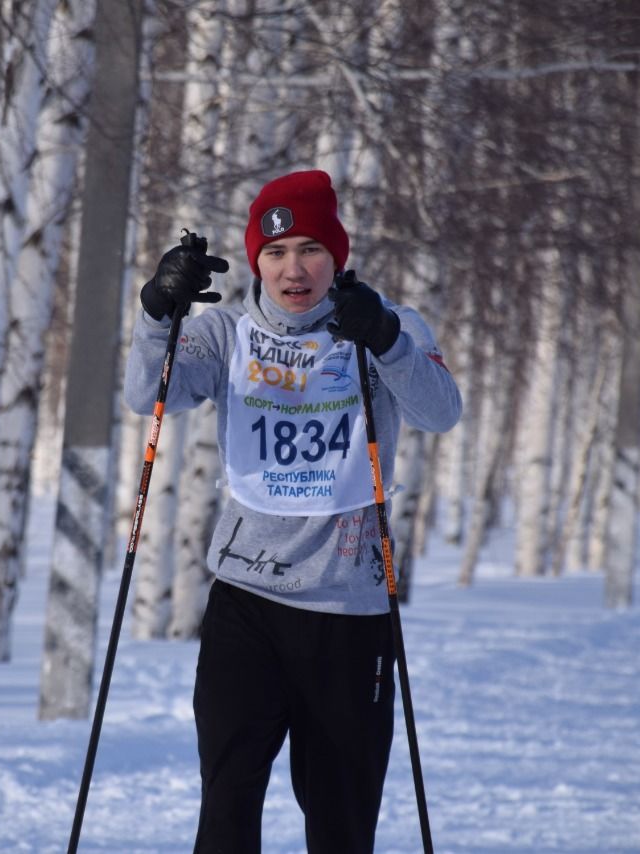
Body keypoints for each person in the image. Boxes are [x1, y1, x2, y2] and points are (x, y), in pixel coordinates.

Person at [124, 169, 462, 853]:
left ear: (335, 255)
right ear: (256, 261)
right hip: (246, 603)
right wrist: (157, 312)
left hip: (349, 612)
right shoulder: (224, 334)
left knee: (340, 824)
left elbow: (441, 410)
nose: (292, 269)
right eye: (274, 253)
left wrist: (387, 339)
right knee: (226, 810)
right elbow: (145, 393)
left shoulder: (383, 323)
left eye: (309, 248)